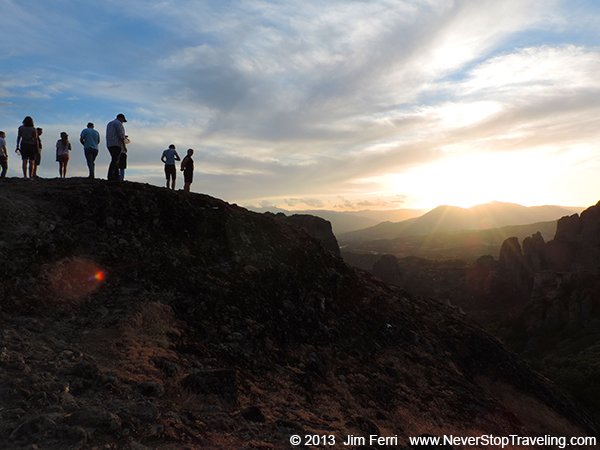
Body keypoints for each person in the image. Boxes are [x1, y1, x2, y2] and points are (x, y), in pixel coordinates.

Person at [106, 113, 127, 181]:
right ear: (121, 118)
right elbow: (121, 136)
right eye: (123, 120)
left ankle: (115, 175)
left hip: (109, 144)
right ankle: (111, 176)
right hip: (116, 144)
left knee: (114, 159)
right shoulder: (118, 124)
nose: (122, 122)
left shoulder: (109, 123)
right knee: (115, 160)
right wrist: (124, 146)